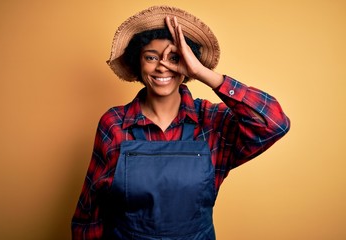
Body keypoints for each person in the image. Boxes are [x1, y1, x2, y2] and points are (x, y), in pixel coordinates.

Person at [71, 5, 290, 240]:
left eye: (175, 58)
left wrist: (204, 73)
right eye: (151, 57)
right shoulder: (114, 124)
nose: (163, 66)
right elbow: (90, 212)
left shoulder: (212, 121)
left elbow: (274, 123)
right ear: (138, 62)